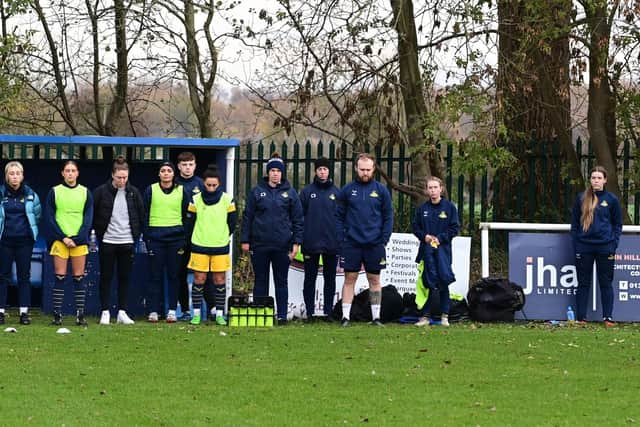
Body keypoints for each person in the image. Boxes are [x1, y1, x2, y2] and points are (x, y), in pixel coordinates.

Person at [241, 154, 303, 325]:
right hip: (259, 245)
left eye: (278, 171)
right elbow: (248, 217)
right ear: (268, 173)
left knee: (281, 282)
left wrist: (296, 243)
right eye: (272, 171)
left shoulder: (290, 194)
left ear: (282, 173)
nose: (275, 174)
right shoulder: (256, 192)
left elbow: (298, 220)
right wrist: (245, 240)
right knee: (260, 280)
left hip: (282, 245)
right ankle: (261, 315)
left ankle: (282, 315)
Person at [336, 153, 393, 327]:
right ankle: (345, 317)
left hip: (374, 243)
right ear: (356, 168)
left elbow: (388, 215)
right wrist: (342, 238)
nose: (365, 173)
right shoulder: (347, 190)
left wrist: (384, 238)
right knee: (349, 278)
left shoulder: (381, 191)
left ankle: (376, 317)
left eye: (368, 170)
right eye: (362, 170)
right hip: (352, 243)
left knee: (374, 280)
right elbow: (338, 216)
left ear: (374, 169)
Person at [93, 156, 144, 325]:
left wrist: (138, 236)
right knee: (106, 277)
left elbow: (140, 216)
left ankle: (122, 311)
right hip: (107, 241)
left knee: (125, 277)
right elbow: (93, 215)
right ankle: (105, 312)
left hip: (127, 241)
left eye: (125, 177)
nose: (122, 180)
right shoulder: (101, 191)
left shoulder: (134, 193)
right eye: (119, 177)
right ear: (112, 175)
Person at [570, 165, 622, 326]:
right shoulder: (581, 198)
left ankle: (608, 318)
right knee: (583, 283)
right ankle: (581, 318)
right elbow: (574, 226)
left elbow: (617, 224)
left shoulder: (612, 200)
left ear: (605, 180)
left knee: (605, 283)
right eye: (593, 178)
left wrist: (613, 244)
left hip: (605, 247)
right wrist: (578, 244)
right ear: (590, 180)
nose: (596, 181)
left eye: (599, 178)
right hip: (584, 247)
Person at [43, 160, 94, 326]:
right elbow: (50, 218)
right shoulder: (54, 192)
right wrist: (63, 237)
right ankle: (57, 315)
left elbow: (88, 218)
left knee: (79, 277)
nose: (70, 173)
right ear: (62, 173)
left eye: (73, 170)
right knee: (59, 276)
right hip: (60, 240)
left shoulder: (86, 192)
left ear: (78, 173)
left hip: (79, 241)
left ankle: (80, 316)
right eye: (67, 170)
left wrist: (78, 238)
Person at [187, 166, 237, 325]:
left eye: (214, 185)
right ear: (203, 183)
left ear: (219, 184)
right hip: (199, 245)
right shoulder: (195, 199)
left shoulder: (228, 200)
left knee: (219, 280)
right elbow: (189, 222)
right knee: (199, 279)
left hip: (220, 246)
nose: (211, 188)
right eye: (208, 185)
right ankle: (195, 314)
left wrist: (221, 236)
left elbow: (232, 223)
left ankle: (220, 314)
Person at [143, 162, 190, 323]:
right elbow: (145, 213)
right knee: (154, 276)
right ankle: (153, 311)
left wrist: (184, 238)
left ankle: (172, 311)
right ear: (159, 174)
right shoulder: (151, 190)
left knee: (174, 276)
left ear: (173, 174)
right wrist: (147, 237)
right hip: (155, 238)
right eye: (162, 171)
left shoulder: (182, 191)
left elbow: (187, 215)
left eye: (169, 171)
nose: (166, 173)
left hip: (176, 239)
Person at [412, 176, 459, 327]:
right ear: (427, 190)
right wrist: (424, 237)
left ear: (441, 189)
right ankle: (425, 316)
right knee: (428, 282)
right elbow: (416, 227)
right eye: (430, 188)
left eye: (435, 187)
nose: (433, 190)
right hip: (426, 251)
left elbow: (454, 228)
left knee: (443, 281)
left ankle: (445, 316)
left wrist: (441, 239)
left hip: (443, 251)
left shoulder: (449, 207)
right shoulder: (423, 209)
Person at [0, 161, 41, 325]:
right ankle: (1, 312)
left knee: (24, 276)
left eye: (18, 173)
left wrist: (31, 235)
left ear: (22, 176)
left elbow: (37, 216)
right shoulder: (1, 193)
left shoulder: (31, 194)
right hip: (5, 240)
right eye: (12, 173)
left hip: (24, 241)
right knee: (3, 276)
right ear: (7, 176)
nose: (15, 176)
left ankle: (24, 312)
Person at [299, 157, 339, 321]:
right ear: (315, 171)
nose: (322, 172)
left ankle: (328, 312)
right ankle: (309, 312)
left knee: (330, 279)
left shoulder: (337, 193)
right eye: (319, 169)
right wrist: (301, 238)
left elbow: (341, 218)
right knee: (310, 279)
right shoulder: (307, 192)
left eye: (325, 169)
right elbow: (299, 217)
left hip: (331, 244)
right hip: (311, 243)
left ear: (329, 171)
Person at [175, 151, 204, 322]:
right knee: (180, 275)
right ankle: (185, 310)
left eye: (190, 164)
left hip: (199, 236)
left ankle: (212, 309)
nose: (187, 168)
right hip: (179, 237)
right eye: (184, 164)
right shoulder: (174, 184)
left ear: (195, 165)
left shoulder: (201, 184)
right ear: (179, 166)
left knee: (203, 274)